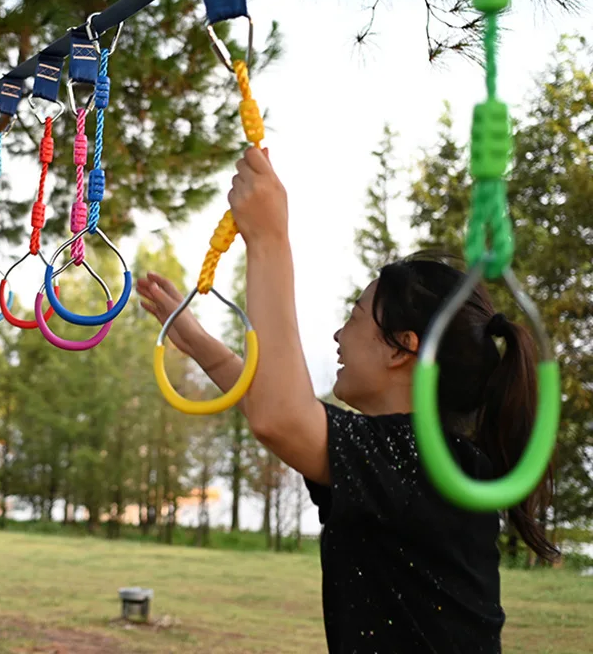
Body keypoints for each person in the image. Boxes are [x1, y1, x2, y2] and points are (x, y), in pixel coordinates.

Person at [136, 146, 557, 653]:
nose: (338, 335)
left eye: (354, 318)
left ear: (403, 348)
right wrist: (196, 340)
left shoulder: (420, 463)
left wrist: (269, 238)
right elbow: (272, 403)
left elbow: (279, 417)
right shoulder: (412, 455)